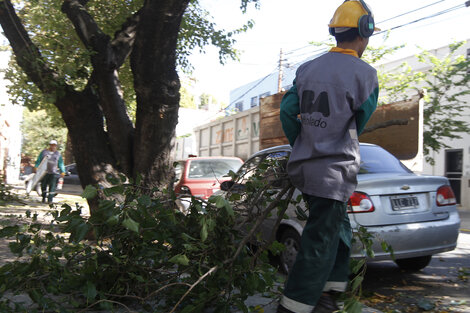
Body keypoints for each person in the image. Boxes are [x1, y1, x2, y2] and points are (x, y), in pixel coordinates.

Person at [277, 1, 380, 312]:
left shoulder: (307, 69)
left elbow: (287, 111)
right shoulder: (366, 75)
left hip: (306, 170)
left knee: (337, 226)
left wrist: (306, 142)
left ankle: (331, 288)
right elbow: (359, 122)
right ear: (365, 31)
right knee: (320, 238)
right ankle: (295, 303)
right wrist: (338, 137)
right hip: (333, 172)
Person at [34, 140, 66, 204]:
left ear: (56, 146)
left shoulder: (58, 154)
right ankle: (43, 198)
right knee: (43, 185)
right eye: (52, 145)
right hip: (44, 172)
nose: (53, 146)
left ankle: (50, 200)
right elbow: (39, 160)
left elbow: (60, 163)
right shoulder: (44, 152)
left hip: (53, 172)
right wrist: (36, 167)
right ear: (49, 145)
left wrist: (62, 171)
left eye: (54, 145)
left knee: (52, 186)